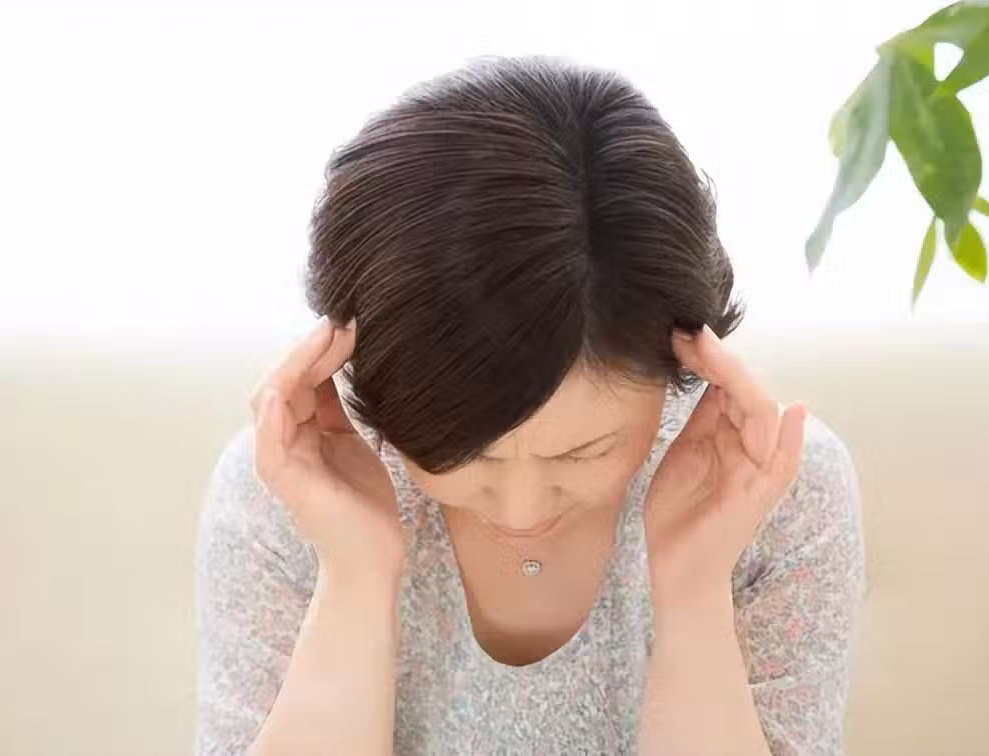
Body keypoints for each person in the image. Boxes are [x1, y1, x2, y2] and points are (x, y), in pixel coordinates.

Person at [194, 56, 865, 756]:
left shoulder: (770, 486)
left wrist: (694, 589)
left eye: (581, 453)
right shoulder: (294, 486)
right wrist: (353, 578)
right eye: (467, 454)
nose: (521, 511)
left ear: (685, 360)